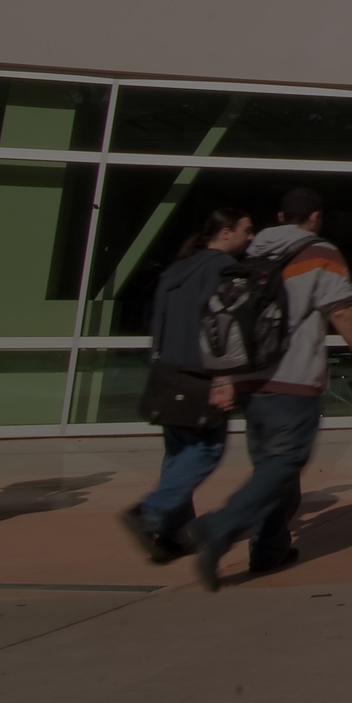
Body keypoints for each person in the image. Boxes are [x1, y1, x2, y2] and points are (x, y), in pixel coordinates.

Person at [186, 188, 352, 590]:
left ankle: (269, 548)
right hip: (293, 378)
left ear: (279, 216)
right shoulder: (321, 253)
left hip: (249, 379)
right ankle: (218, 528)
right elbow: (340, 309)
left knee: (273, 470)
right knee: (285, 463)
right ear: (315, 217)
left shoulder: (251, 252)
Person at [118, 208, 254, 563]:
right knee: (206, 450)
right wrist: (225, 377)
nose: (251, 237)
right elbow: (225, 326)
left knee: (178, 452)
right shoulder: (225, 269)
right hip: (200, 375)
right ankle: (150, 511)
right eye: (247, 229)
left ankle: (173, 533)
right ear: (226, 233)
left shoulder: (177, 269)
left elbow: (157, 320)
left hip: (167, 371)